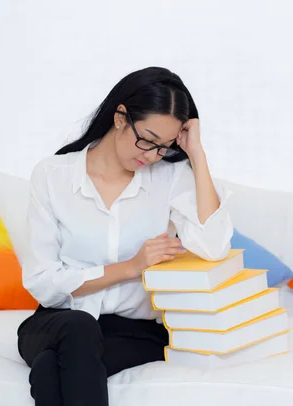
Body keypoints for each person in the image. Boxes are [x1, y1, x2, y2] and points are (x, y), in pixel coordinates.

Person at [16, 66, 233, 406]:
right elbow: (42, 281)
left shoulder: (170, 177)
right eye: (146, 140)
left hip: (136, 331)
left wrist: (197, 155)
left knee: (49, 368)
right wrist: (130, 267)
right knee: (78, 328)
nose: (151, 156)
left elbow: (214, 245)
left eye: (163, 147)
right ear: (120, 118)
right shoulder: (52, 176)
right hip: (56, 322)